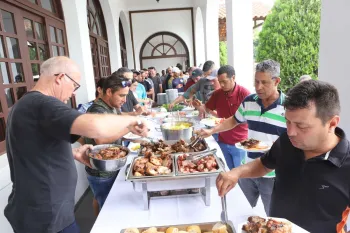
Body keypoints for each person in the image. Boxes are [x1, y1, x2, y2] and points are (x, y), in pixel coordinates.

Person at [4, 56, 149, 233]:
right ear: (60, 78)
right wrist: (132, 121)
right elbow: (96, 127)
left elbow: (33, 148)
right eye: (74, 85)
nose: (74, 92)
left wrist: (72, 154)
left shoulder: (26, 104)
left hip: (39, 210)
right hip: (47, 214)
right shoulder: (43, 103)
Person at [216, 80, 350, 233]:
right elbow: (264, 164)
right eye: (288, 122)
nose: (291, 131)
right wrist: (236, 172)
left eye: (301, 126)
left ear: (332, 123)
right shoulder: (287, 140)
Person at [199, 60, 286, 215]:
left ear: (277, 81)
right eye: (256, 81)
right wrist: (212, 130)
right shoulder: (249, 101)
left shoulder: (288, 107)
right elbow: (233, 120)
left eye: (264, 82)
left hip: (273, 174)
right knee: (242, 209)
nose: (258, 87)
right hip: (248, 169)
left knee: (272, 215)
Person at [84, 74, 132, 216]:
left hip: (113, 165)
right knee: (108, 211)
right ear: (109, 92)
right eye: (121, 96)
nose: (124, 100)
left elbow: (115, 130)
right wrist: (129, 129)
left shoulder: (111, 106)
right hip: (102, 172)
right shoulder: (97, 110)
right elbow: (100, 140)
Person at [198, 65, 250, 169]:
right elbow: (207, 108)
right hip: (222, 141)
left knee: (240, 177)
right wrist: (199, 106)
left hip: (240, 143)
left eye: (224, 81)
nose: (221, 85)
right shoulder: (218, 94)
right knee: (226, 171)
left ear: (233, 78)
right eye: (219, 81)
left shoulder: (244, 94)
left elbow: (250, 119)